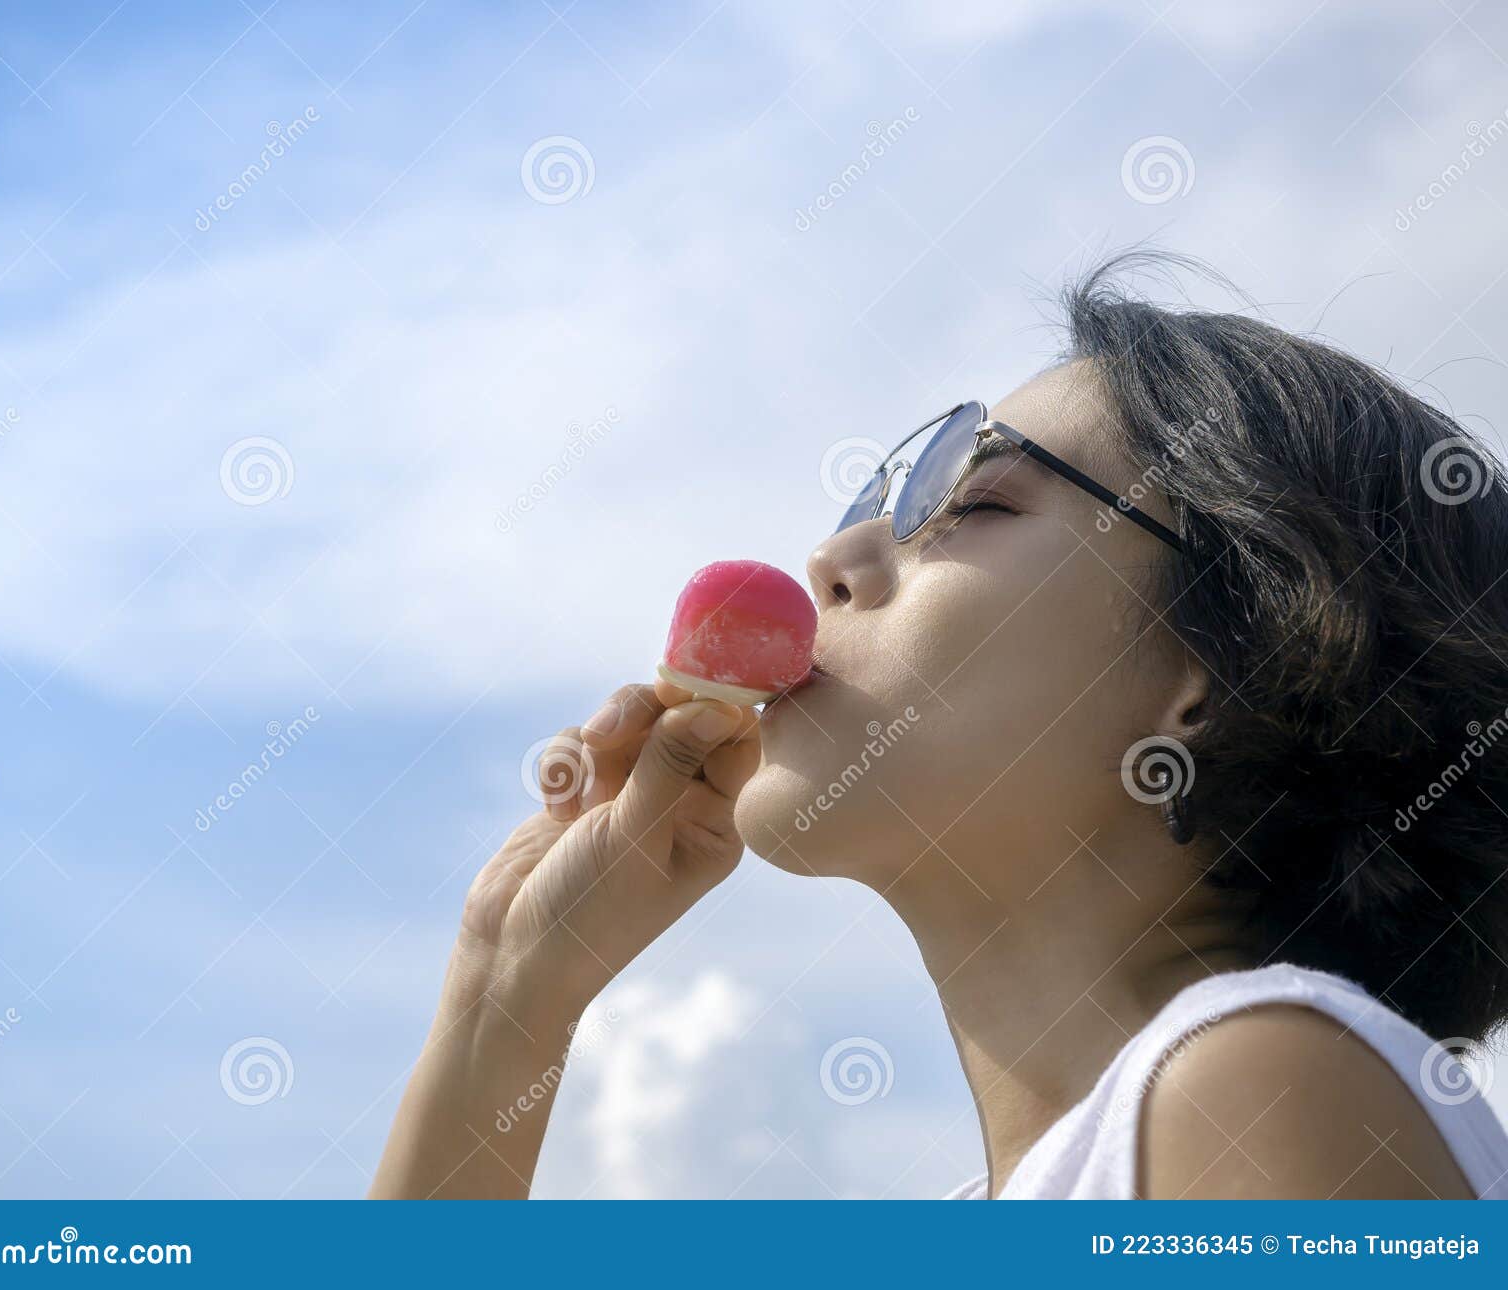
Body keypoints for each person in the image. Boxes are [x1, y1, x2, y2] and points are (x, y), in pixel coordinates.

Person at [371, 255, 1508, 1199]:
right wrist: (506, 993)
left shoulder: (1258, 1078)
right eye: (867, 503)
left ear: (1212, 663)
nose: (831, 560)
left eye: (971, 504)